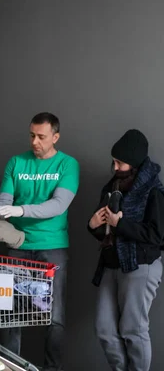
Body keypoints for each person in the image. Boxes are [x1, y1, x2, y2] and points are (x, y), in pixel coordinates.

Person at [0, 112, 79, 371]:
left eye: (41, 137)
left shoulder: (67, 165)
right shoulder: (16, 163)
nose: (35, 142)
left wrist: (21, 210)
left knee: (54, 315)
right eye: (32, 135)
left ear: (55, 137)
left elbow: (58, 205)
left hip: (52, 246)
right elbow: (5, 198)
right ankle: (9, 366)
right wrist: (1, 208)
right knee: (10, 312)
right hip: (18, 245)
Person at [88, 129, 163, 371]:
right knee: (104, 328)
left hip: (141, 265)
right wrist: (93, 226)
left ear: (135, 161)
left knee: (133, 329)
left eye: (119, 161)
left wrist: (121, 224)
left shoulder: (153, 191)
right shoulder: (113, 186)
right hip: (111, 264)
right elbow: (104, 230)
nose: (114, 166)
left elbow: (157, 236)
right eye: (114, 161)